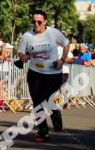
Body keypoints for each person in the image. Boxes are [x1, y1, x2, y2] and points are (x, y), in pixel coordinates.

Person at [17, 9, 69, 142]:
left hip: (53, 73)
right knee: (37, 102)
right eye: (34, 21)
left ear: (45, 22)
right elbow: (21, 53)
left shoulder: (53, 33)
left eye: (39, 22)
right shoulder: (27, 36)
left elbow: (66, 44)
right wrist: (24, 57)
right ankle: (42, 131)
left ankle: (55, 113)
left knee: (47, 98)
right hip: (35, 73)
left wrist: (62, 60)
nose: (36, 24)